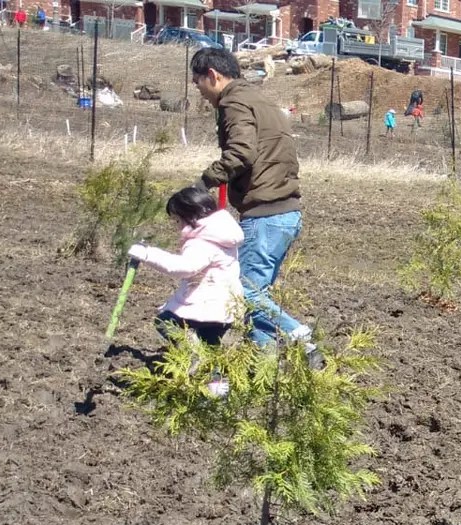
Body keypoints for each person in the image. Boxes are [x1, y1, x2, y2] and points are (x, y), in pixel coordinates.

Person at [191, 47, 318, 360]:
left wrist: (205, 180)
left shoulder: (234, 101)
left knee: (243, 291)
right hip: (285, 213)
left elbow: (241, 153)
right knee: (258, 296)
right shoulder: (260, 99)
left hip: (266, 215)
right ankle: (263, 369)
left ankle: (298, 334)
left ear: (213, 76)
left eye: (198, 83)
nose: (200, 91)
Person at [126, 185, 242, 351]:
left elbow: (184, 267)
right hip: (226, 305)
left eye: (177, 220)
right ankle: (212, 375)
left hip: (207, 304)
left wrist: (147, 254)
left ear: (190, 216)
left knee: (165, 321)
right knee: (210, 348)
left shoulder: (201, 242)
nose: (177, 226)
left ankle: (191, 351)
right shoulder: (223, 235)